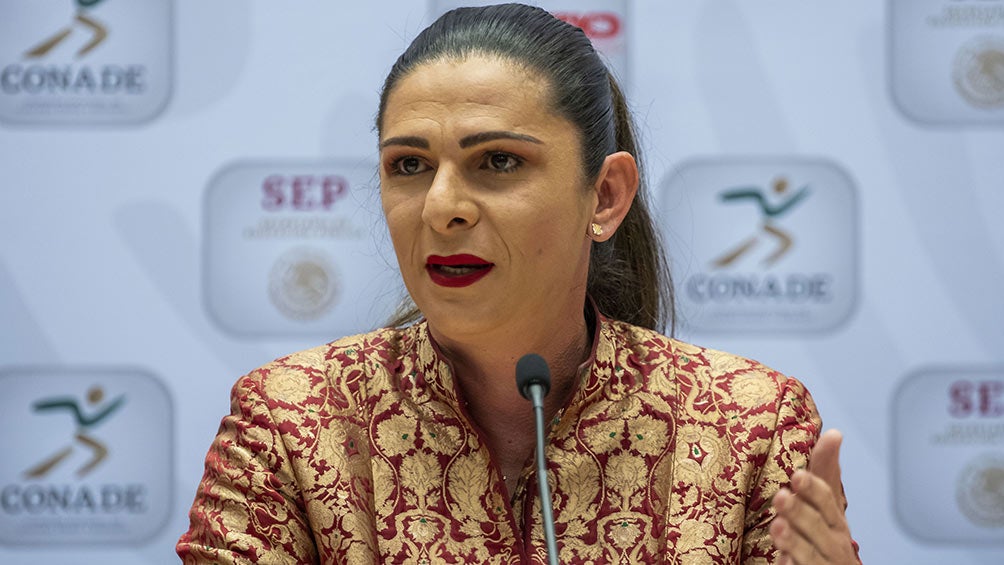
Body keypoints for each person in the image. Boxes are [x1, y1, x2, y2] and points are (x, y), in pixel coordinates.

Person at [177, 4, 860, 563]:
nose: (442, 207)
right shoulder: (292, 424)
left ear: (605, 196)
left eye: (498, 161)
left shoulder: (750, 427)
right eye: (409, 165)